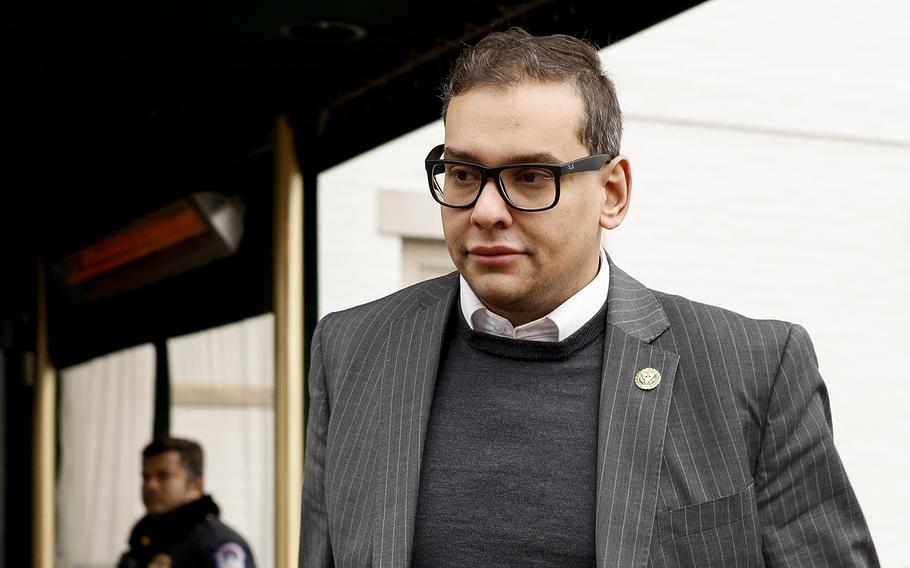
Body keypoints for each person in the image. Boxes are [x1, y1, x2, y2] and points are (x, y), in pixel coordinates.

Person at [298, 28, 879, 567]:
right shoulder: (353, 351)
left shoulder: (752, 368)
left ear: (613, 193)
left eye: (531, 177)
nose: (486, 211)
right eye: (464, 174)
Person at [118, 436, 255, 568]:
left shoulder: (218, 545)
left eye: (164, 476)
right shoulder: (144, 539)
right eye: (146, 477)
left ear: (196, 486)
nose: (151, 485)